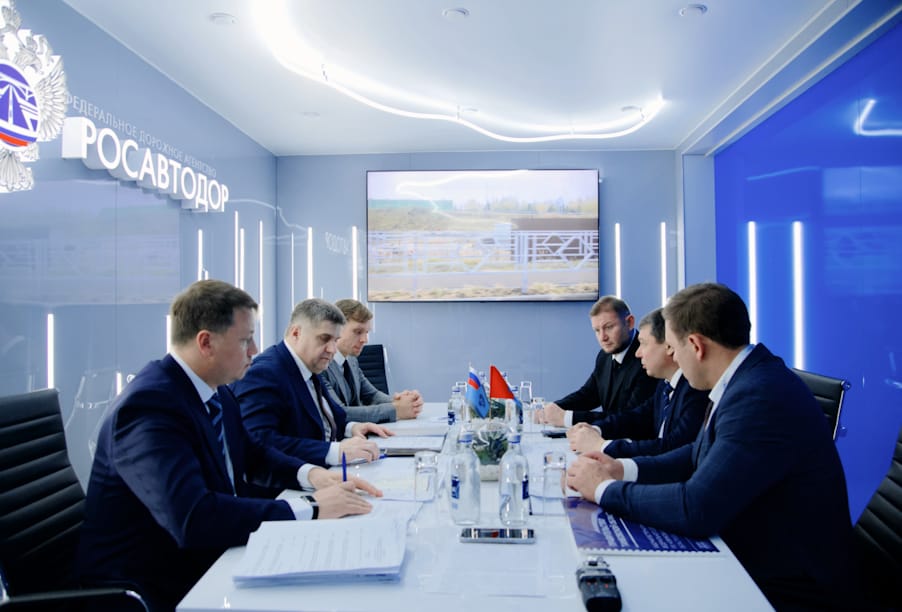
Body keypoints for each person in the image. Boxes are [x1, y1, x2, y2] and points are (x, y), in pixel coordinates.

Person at [76, 280, 381, 612]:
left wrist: (313, 475)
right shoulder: (150, 406)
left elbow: (254, 455)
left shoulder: (216, 391)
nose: (255, 350)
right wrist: (312, 507)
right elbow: (194, 518)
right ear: (206, 342)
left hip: (210, 558)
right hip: (150, 587)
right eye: (246, 340)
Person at [566, 283, 855, 610]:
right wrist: (622, 469)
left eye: (673, 347)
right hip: (756, 550)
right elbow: (696, 455)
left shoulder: (758, 395)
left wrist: (603, 489)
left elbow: (697, 507)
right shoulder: (744, 379)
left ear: (695, 345)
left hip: (788, 585)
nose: (673, 357)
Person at [233, 298, 392, 468]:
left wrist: (352, 427)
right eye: (324, 339)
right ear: (296, 333)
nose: (332, 349)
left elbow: (330, 416)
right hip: (292, 479)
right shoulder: (264, 373)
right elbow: (259, 443)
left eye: (335, 340)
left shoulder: (309, 365)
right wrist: (334, 451)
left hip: (323, 469)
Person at [567, 307, 708, 458]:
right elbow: (636, 417)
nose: (637, 353)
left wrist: (602, 446)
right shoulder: (665, 385)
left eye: (643, 343)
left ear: (669, 346)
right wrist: (596, 429)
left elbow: (673, 446)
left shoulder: (695, 389)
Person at [537, 295, 658, 427]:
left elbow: (629, 418)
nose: (602, 337)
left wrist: (568, 418)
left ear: (629, 322)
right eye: (597, 330)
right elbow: (588, 395)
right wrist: (551, 410)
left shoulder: (647, 359)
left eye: (609, 327)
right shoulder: (604, 356)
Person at [322, 298, 423, 423]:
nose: (364, 340)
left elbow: (371, 395)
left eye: (366, 332)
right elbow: (340, 413)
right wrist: (396, 409)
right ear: (336, 329)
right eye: (358, 332)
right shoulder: (321, 365)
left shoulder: (351, 360)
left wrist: (404, 402)